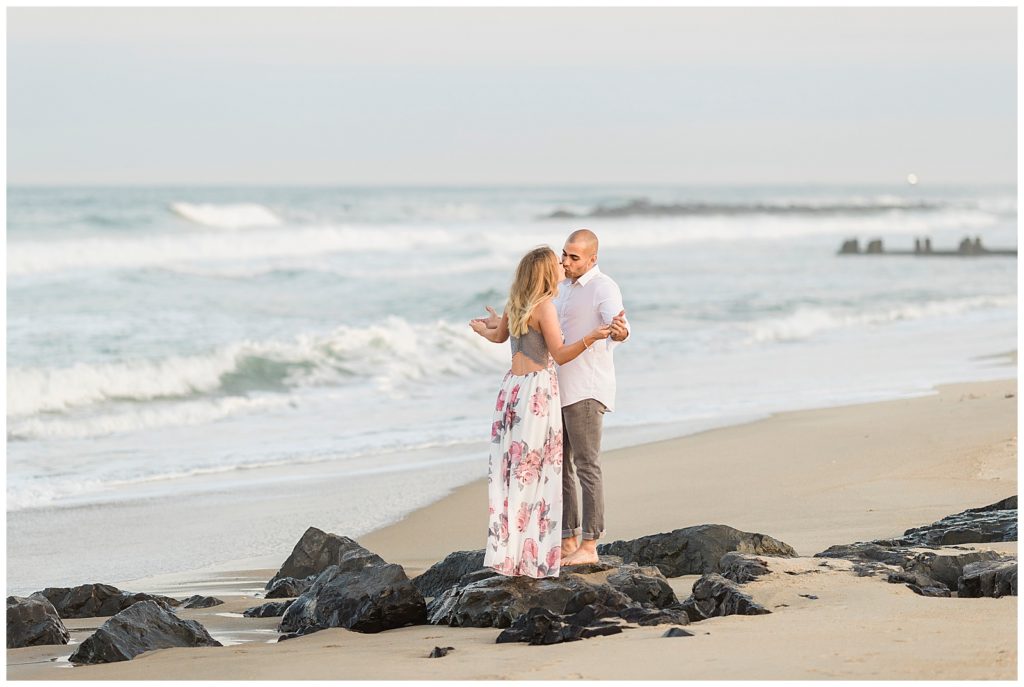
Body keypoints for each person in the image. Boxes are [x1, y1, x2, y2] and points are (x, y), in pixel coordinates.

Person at [469, 246, 611, 578]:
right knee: (536, 468)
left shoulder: (516, 303)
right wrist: (591, 337)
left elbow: (498, 336)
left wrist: (481, 327)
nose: (563, 266)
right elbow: (559, 354)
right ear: (547, 273)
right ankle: (530, 553)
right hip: (536, 390)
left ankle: (509, 551)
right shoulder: (545, 307)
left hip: (511, 391)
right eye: (557, 264)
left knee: (513, 469)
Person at [554, 229, 629, 566]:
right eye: (565, 255)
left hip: (586, 387)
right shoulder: (561, 287)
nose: (566, 261)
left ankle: (590, 544)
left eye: (574, 257)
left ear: (592, 258)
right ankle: (567, 539)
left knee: (586, 465)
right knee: (560, 467)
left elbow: (620, 325)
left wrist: (620, 330)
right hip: (558, 388)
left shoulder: (604, 287)